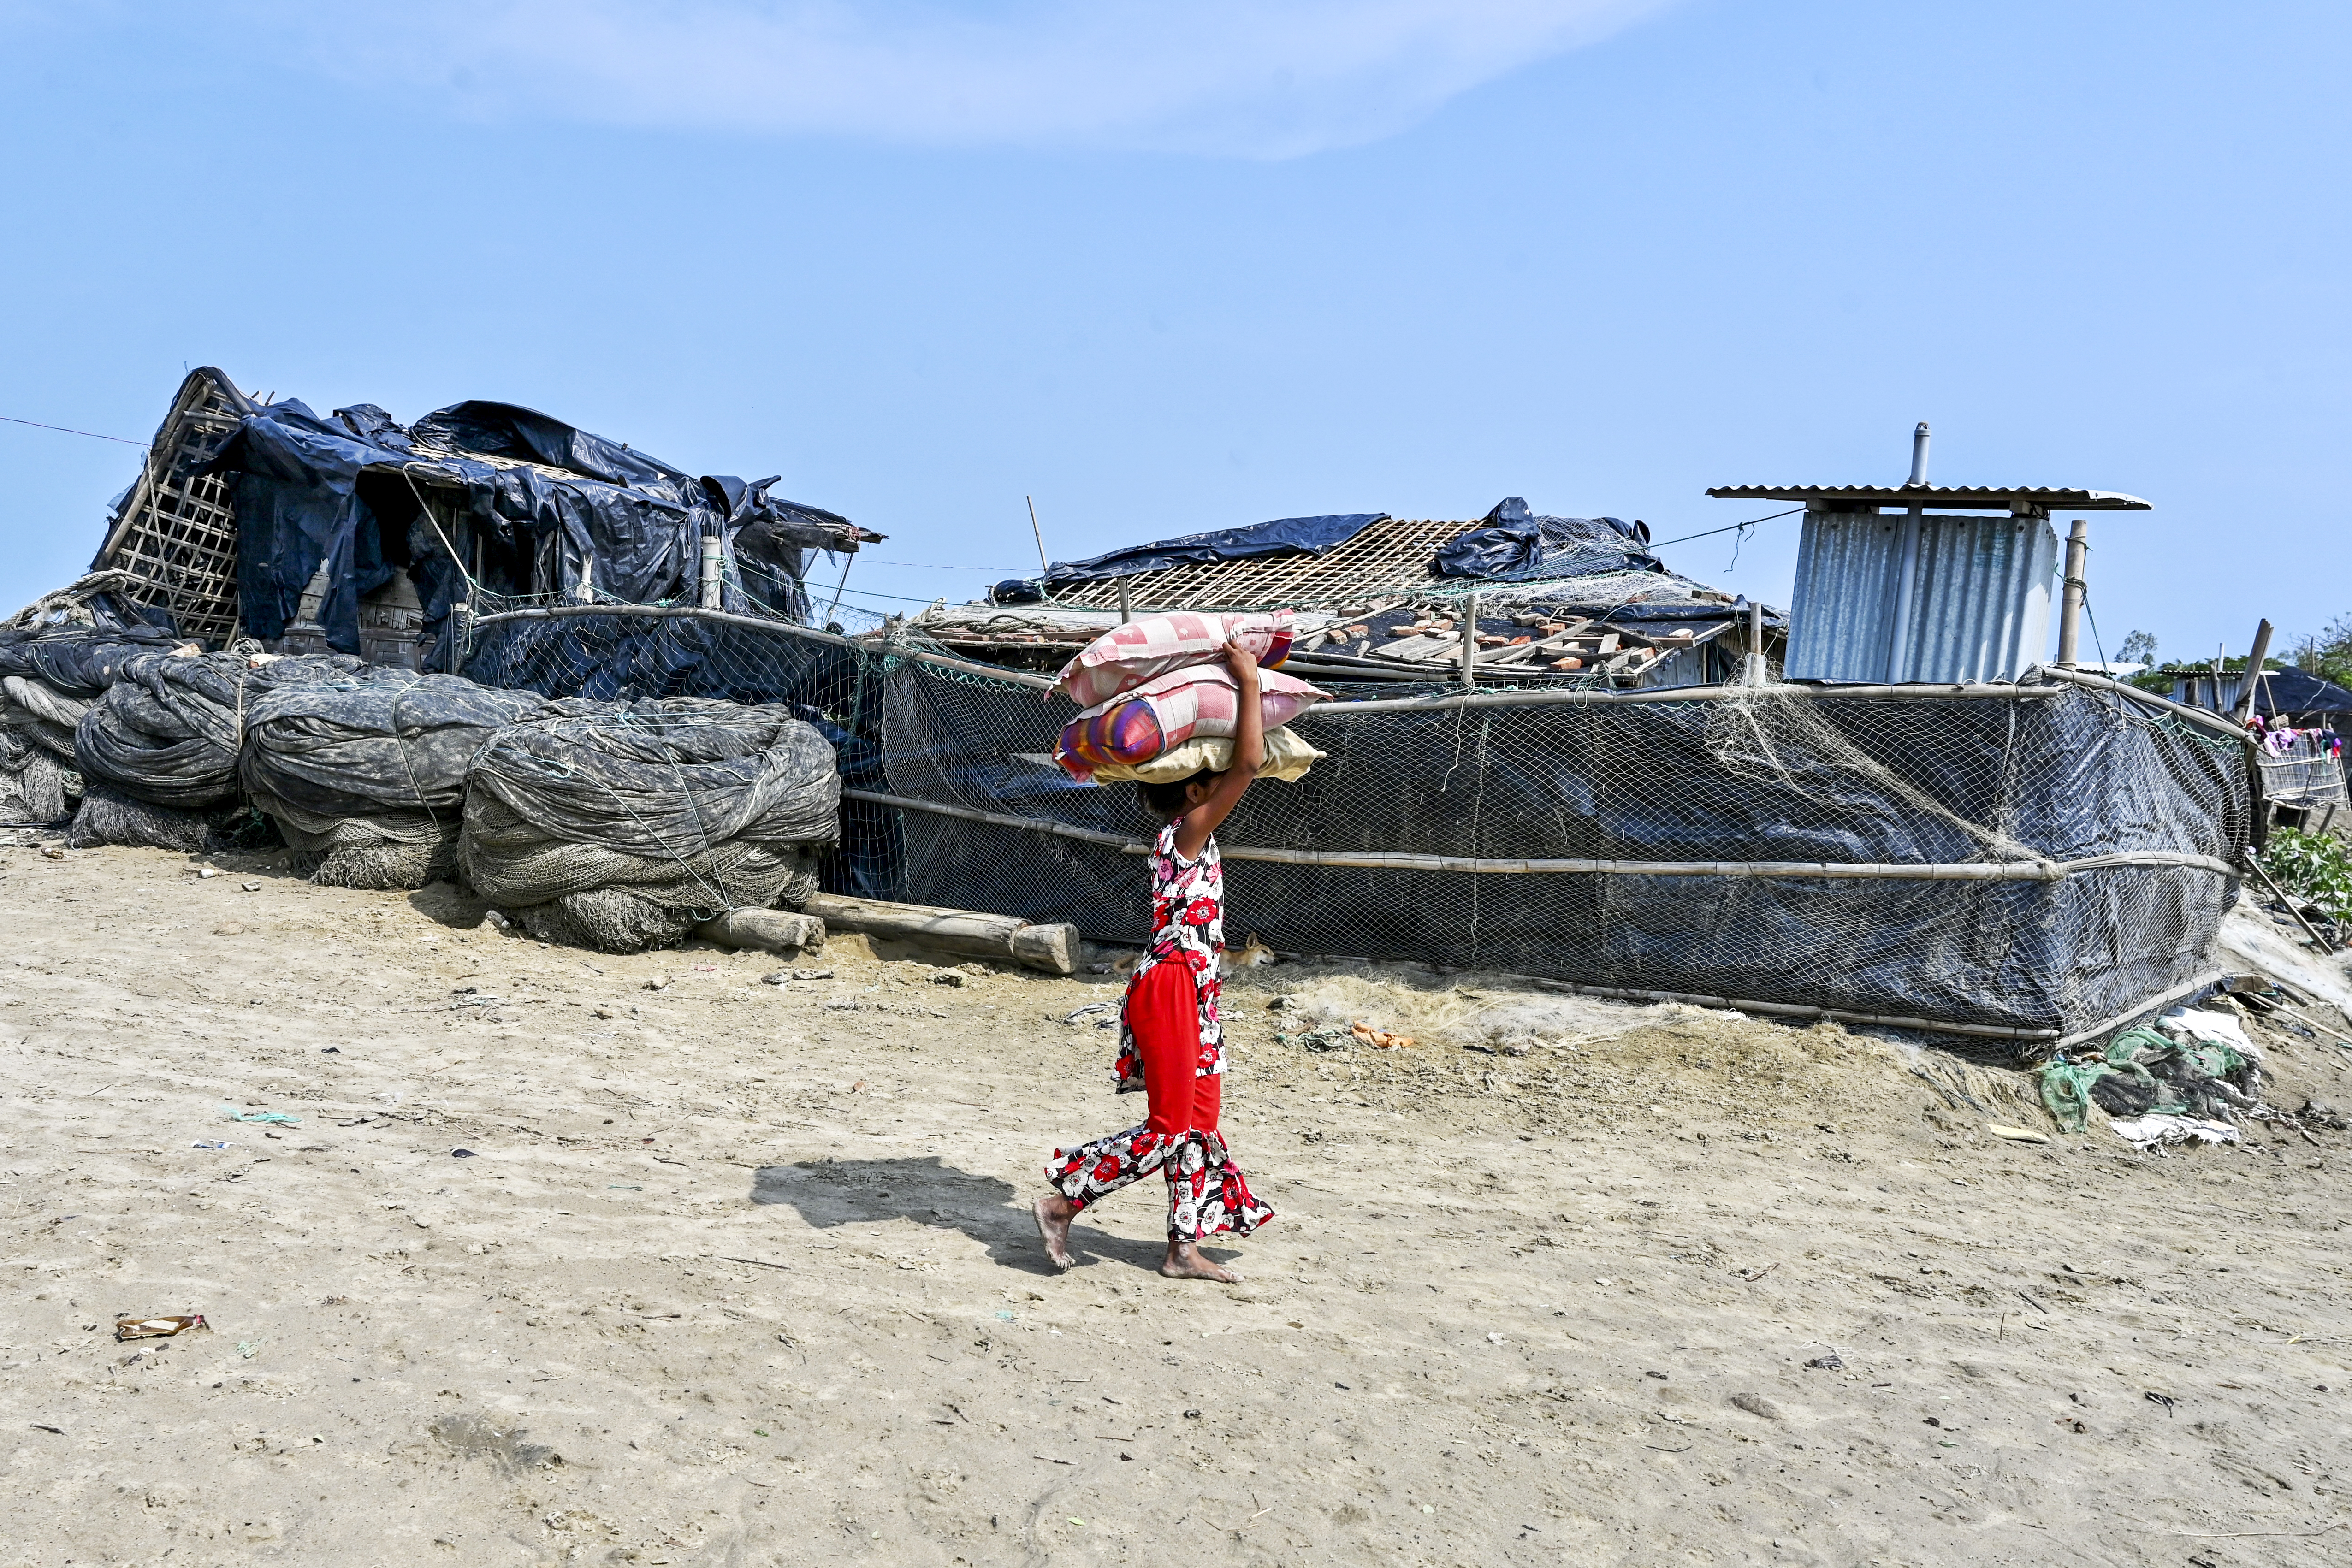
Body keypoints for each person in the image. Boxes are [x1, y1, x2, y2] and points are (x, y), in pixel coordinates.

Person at [1034, 638, 1274, 1282]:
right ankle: (1063, 1201)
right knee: (1170, 1127)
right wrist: (1248, 683)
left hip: (1196, 990)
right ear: (1196, 788)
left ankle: (1182, 1248)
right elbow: (1249, 761)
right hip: (1170, 987)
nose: (1225, 787)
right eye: (1214, 784)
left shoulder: (1185, 836)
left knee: (1199, 1124)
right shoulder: (1186, 834)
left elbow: (1241, 766)